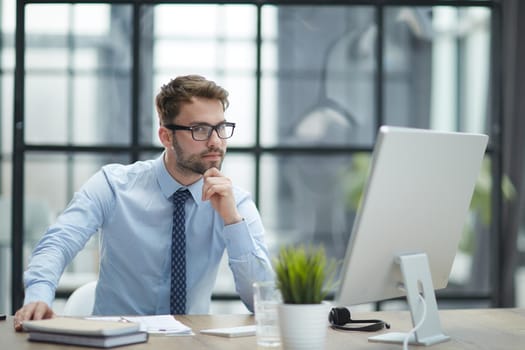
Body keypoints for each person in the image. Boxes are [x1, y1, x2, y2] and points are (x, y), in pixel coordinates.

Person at [14, 74, 274, 331]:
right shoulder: (113, 185)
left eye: (220, 128)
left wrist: (232, 221)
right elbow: (58, 243)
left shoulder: (235, 202)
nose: (216, 141)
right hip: (116, 341)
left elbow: (263, 303)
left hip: (190, 343)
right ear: (166, 137)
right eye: (200, 130)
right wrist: (38, 296)